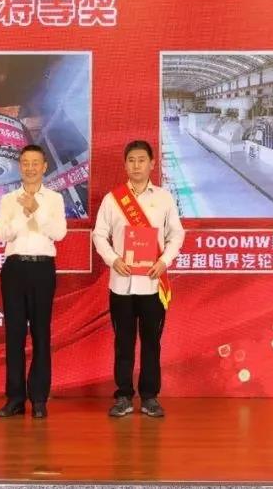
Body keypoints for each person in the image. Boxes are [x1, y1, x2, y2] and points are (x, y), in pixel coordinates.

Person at [92, 140, 185, 418]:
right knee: (123, 343)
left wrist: (164, 261)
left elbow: (177, 234)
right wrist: (113, 259)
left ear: (152, 164)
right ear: (125, 165)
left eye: (141, 160)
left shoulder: (164, 198)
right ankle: (123, 396)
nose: (136, 165)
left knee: (151, 343)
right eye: (131, 160)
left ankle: (149, 397)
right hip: (121, 284)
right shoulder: (113, 199)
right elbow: (99, 234)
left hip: (152, 284)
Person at [0, 144, 67, 419]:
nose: (30, 168)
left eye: (36, 163)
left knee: (41, 333)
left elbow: (59, 233)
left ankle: (38, 398)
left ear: (45, 166)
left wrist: (36, 209)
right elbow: (1, 234)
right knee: (14, 335)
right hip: (14, 268)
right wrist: (22, 215)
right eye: (25, 163)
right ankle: (14, 398)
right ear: (19, 166)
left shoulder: (55, 199)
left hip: (42, 269)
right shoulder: (8, 199)